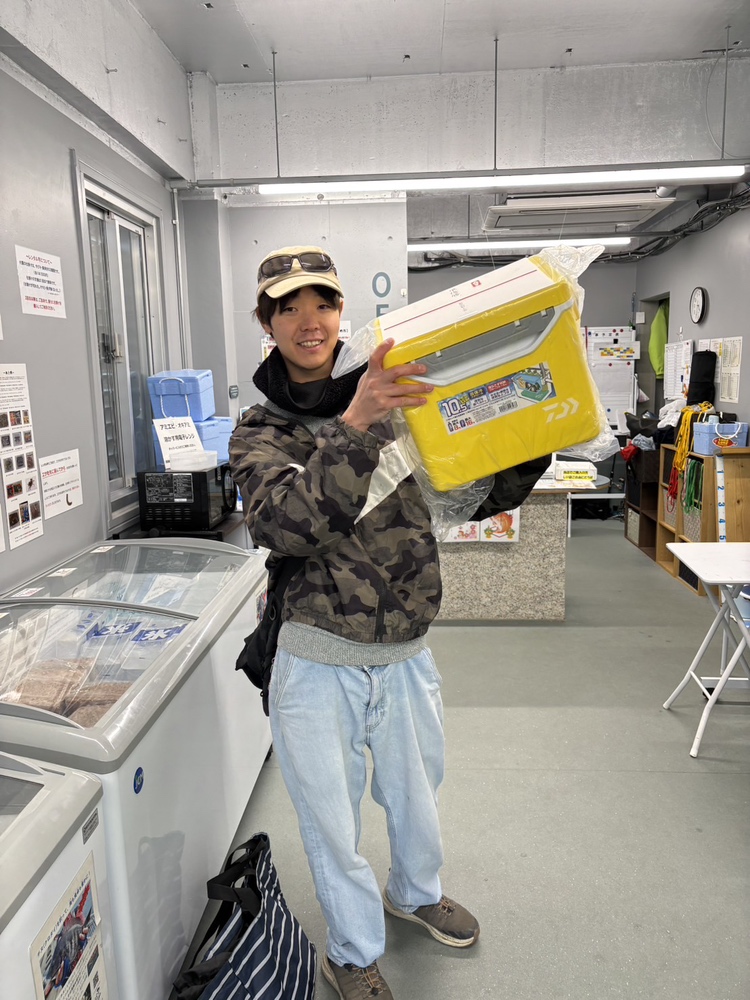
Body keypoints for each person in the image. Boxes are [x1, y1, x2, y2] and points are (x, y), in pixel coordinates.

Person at [229, 246, 548, 999]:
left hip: (406, 648)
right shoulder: (259, 430)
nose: (309, 321)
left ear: (342, 311)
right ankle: (350, 951)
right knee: (330, 822)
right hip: (315, 656)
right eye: (288, 308)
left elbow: (472, 494)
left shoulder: (401, 393)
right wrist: (359, 422)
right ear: (266, 323)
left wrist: (531, 430)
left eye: (322, 303)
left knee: (416, 795)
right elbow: (287, 525)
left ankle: (414, 892)